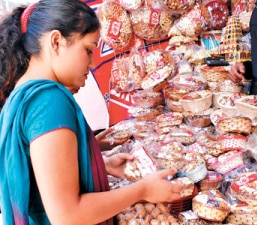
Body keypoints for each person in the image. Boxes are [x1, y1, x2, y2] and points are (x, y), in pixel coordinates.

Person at [0, 1, 184, 225]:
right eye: (88, 50)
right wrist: (142, 190)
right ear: (56, 41)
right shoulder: (49, 100)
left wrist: (94, 158)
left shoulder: (18, 98)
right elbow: (68, 216)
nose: (92, 63)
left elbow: (40, 177)